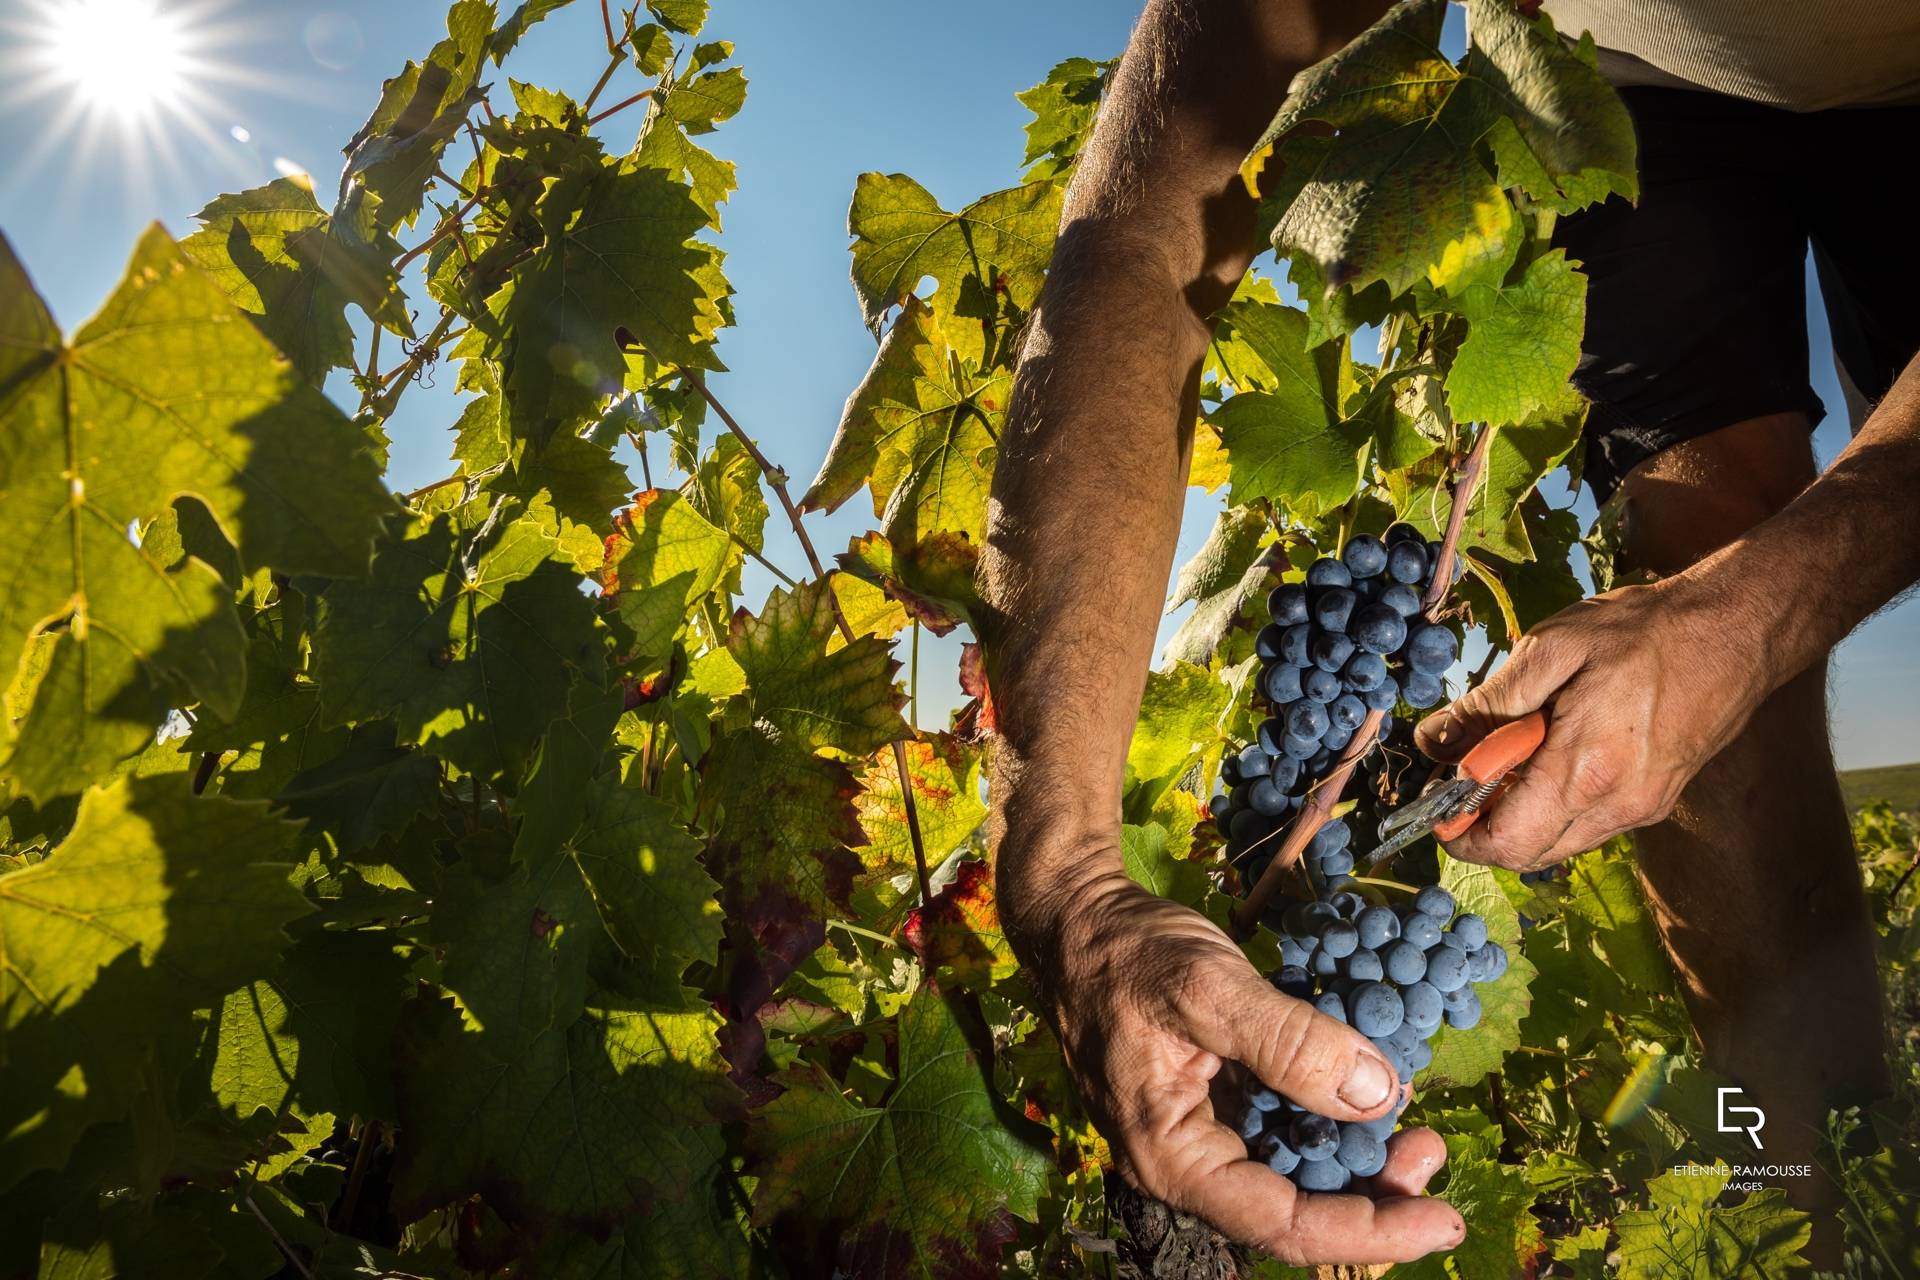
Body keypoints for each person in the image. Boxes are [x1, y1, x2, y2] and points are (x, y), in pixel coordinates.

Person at [978, 0, 1920, 1264]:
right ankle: (1800, 1189)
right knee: (1695, 569)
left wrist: (1750, 618)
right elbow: (1138, 239)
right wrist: (1063, 876)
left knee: (1757, 597)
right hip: (1629, 82)